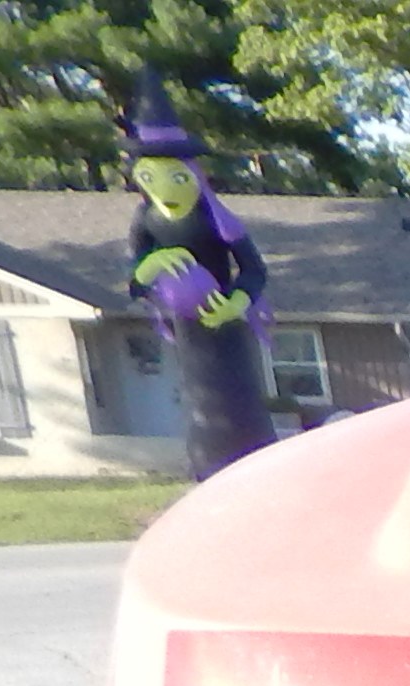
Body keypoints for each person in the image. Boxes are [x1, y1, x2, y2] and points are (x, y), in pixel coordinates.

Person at [124, 76, 278, 479]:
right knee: (201, 402)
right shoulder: (146, 220)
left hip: (225, 320)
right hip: (185, 325)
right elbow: (134, 279)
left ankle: (255, 458)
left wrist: (237, 303)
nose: (164, 189)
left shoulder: (216, 220)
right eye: (150, 177)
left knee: (239, 395)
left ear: (194, 174)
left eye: (176, 177)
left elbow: (254, 269)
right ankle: (208, 467)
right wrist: (152, 263)